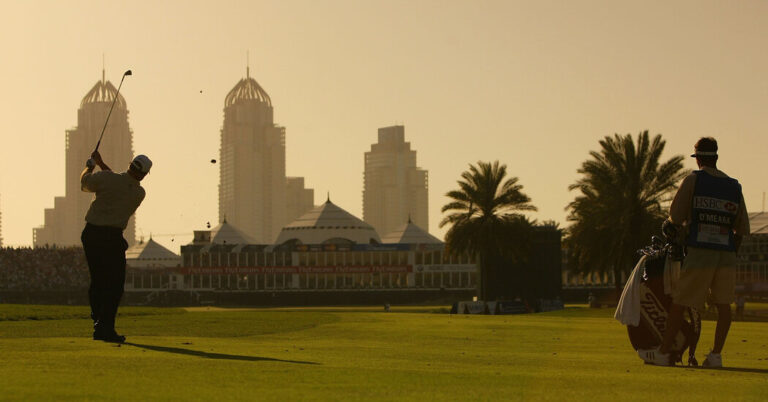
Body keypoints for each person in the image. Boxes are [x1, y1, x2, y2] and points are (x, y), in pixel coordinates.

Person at [638, 137, 749, 367]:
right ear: (716, 158)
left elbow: (674, 219)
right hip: (726, 253)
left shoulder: (693, 180)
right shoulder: (734, 186)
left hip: (700, 251)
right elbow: (742, 229)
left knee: (681, 302)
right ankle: (716, 355)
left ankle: (664, 352)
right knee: (723, 305)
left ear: (698, 158)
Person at [81, 150, 151, 343]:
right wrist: (101, 164)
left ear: (130, 164)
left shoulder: (107, 179)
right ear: (144, 175)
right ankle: (105, 327)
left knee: (98, 280)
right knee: (114, 285)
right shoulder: (139, 193)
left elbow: (85, 183)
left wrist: (90, 166)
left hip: (92, 234)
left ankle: (98, 323)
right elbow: (119, 184)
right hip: (112, 238)